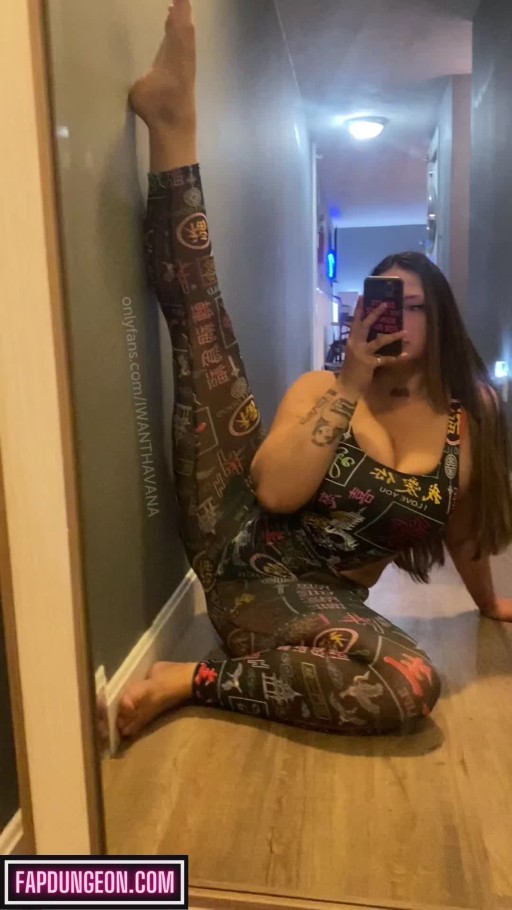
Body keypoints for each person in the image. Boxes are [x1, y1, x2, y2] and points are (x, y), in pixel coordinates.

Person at [117, 0, 512, 739]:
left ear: (441, 321)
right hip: (235, 536)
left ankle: (199, 676)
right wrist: (351, 383)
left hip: (314, 605)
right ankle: (172, 123)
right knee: (205, 332)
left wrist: (488, 603)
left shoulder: (467, 424)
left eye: (414, 307)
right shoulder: (324, 388)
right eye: (383, 303)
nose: (396, 319)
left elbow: (463, 529)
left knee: (409, 682)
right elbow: (273, 490)